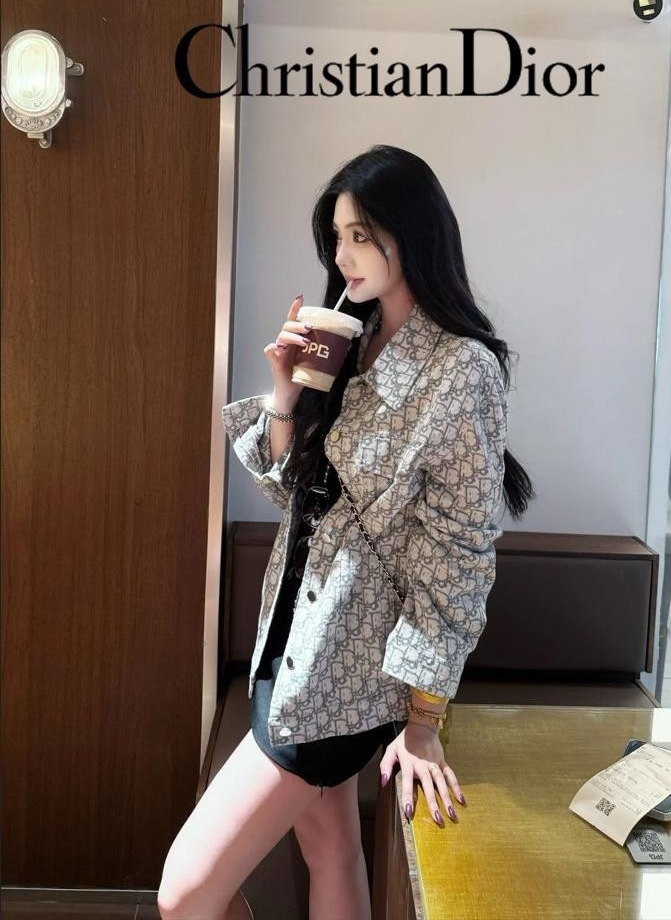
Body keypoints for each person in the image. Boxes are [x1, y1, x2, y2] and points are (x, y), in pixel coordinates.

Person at [158, 145, 535, 920]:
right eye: (336, 237)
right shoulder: (352, 341)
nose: (343, 255)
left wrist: (423, 723)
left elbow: (459, 556)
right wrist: (284, 395)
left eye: (361, 236)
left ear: (412, 235)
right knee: (329, 849)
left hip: (345, 672)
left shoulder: (460, 370)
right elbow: (296, 495)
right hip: (288, 636)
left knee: (185, 894)